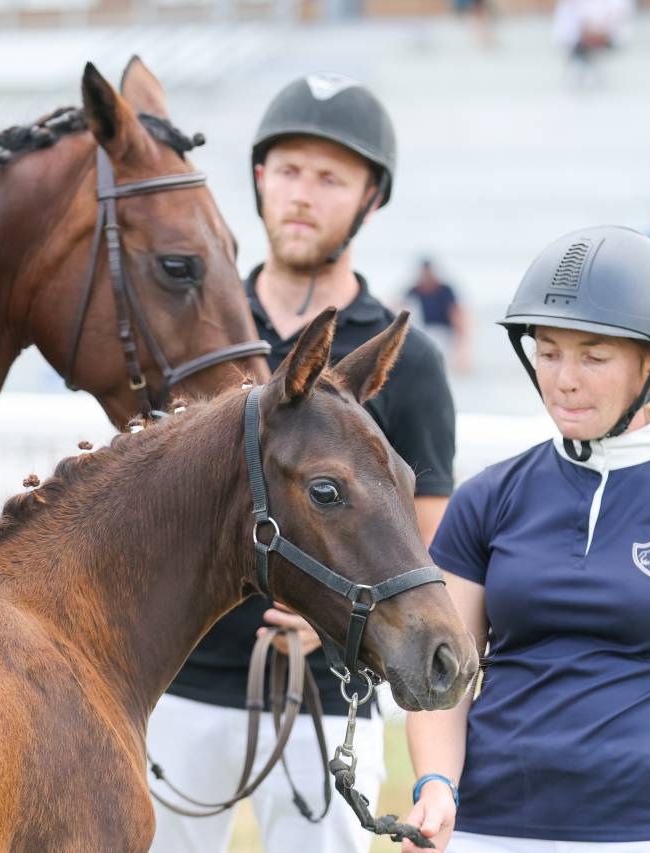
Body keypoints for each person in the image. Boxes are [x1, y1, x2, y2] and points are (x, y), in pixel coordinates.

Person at [147, 72, 457, 853]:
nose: (302, 194)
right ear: (258, 178)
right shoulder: (198, 334)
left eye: (330, 177)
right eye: (287, 169)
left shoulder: (405, 361)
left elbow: (424, 546)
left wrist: (337, 621)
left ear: (370, 198)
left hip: (324, 693)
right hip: (177, 677)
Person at [401, 225, 650, 853]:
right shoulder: (487, 499)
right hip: (489, 830)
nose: (564, 379)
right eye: (548, 352)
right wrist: (436, 785)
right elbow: (445, 681)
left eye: (593, 357)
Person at [403, 258, 471, 374]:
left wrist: (462, 342)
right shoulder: (414, 290)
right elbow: (401, 308)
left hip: (443, 333)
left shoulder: (445, 290)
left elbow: (455, 313)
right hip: (422, 331)